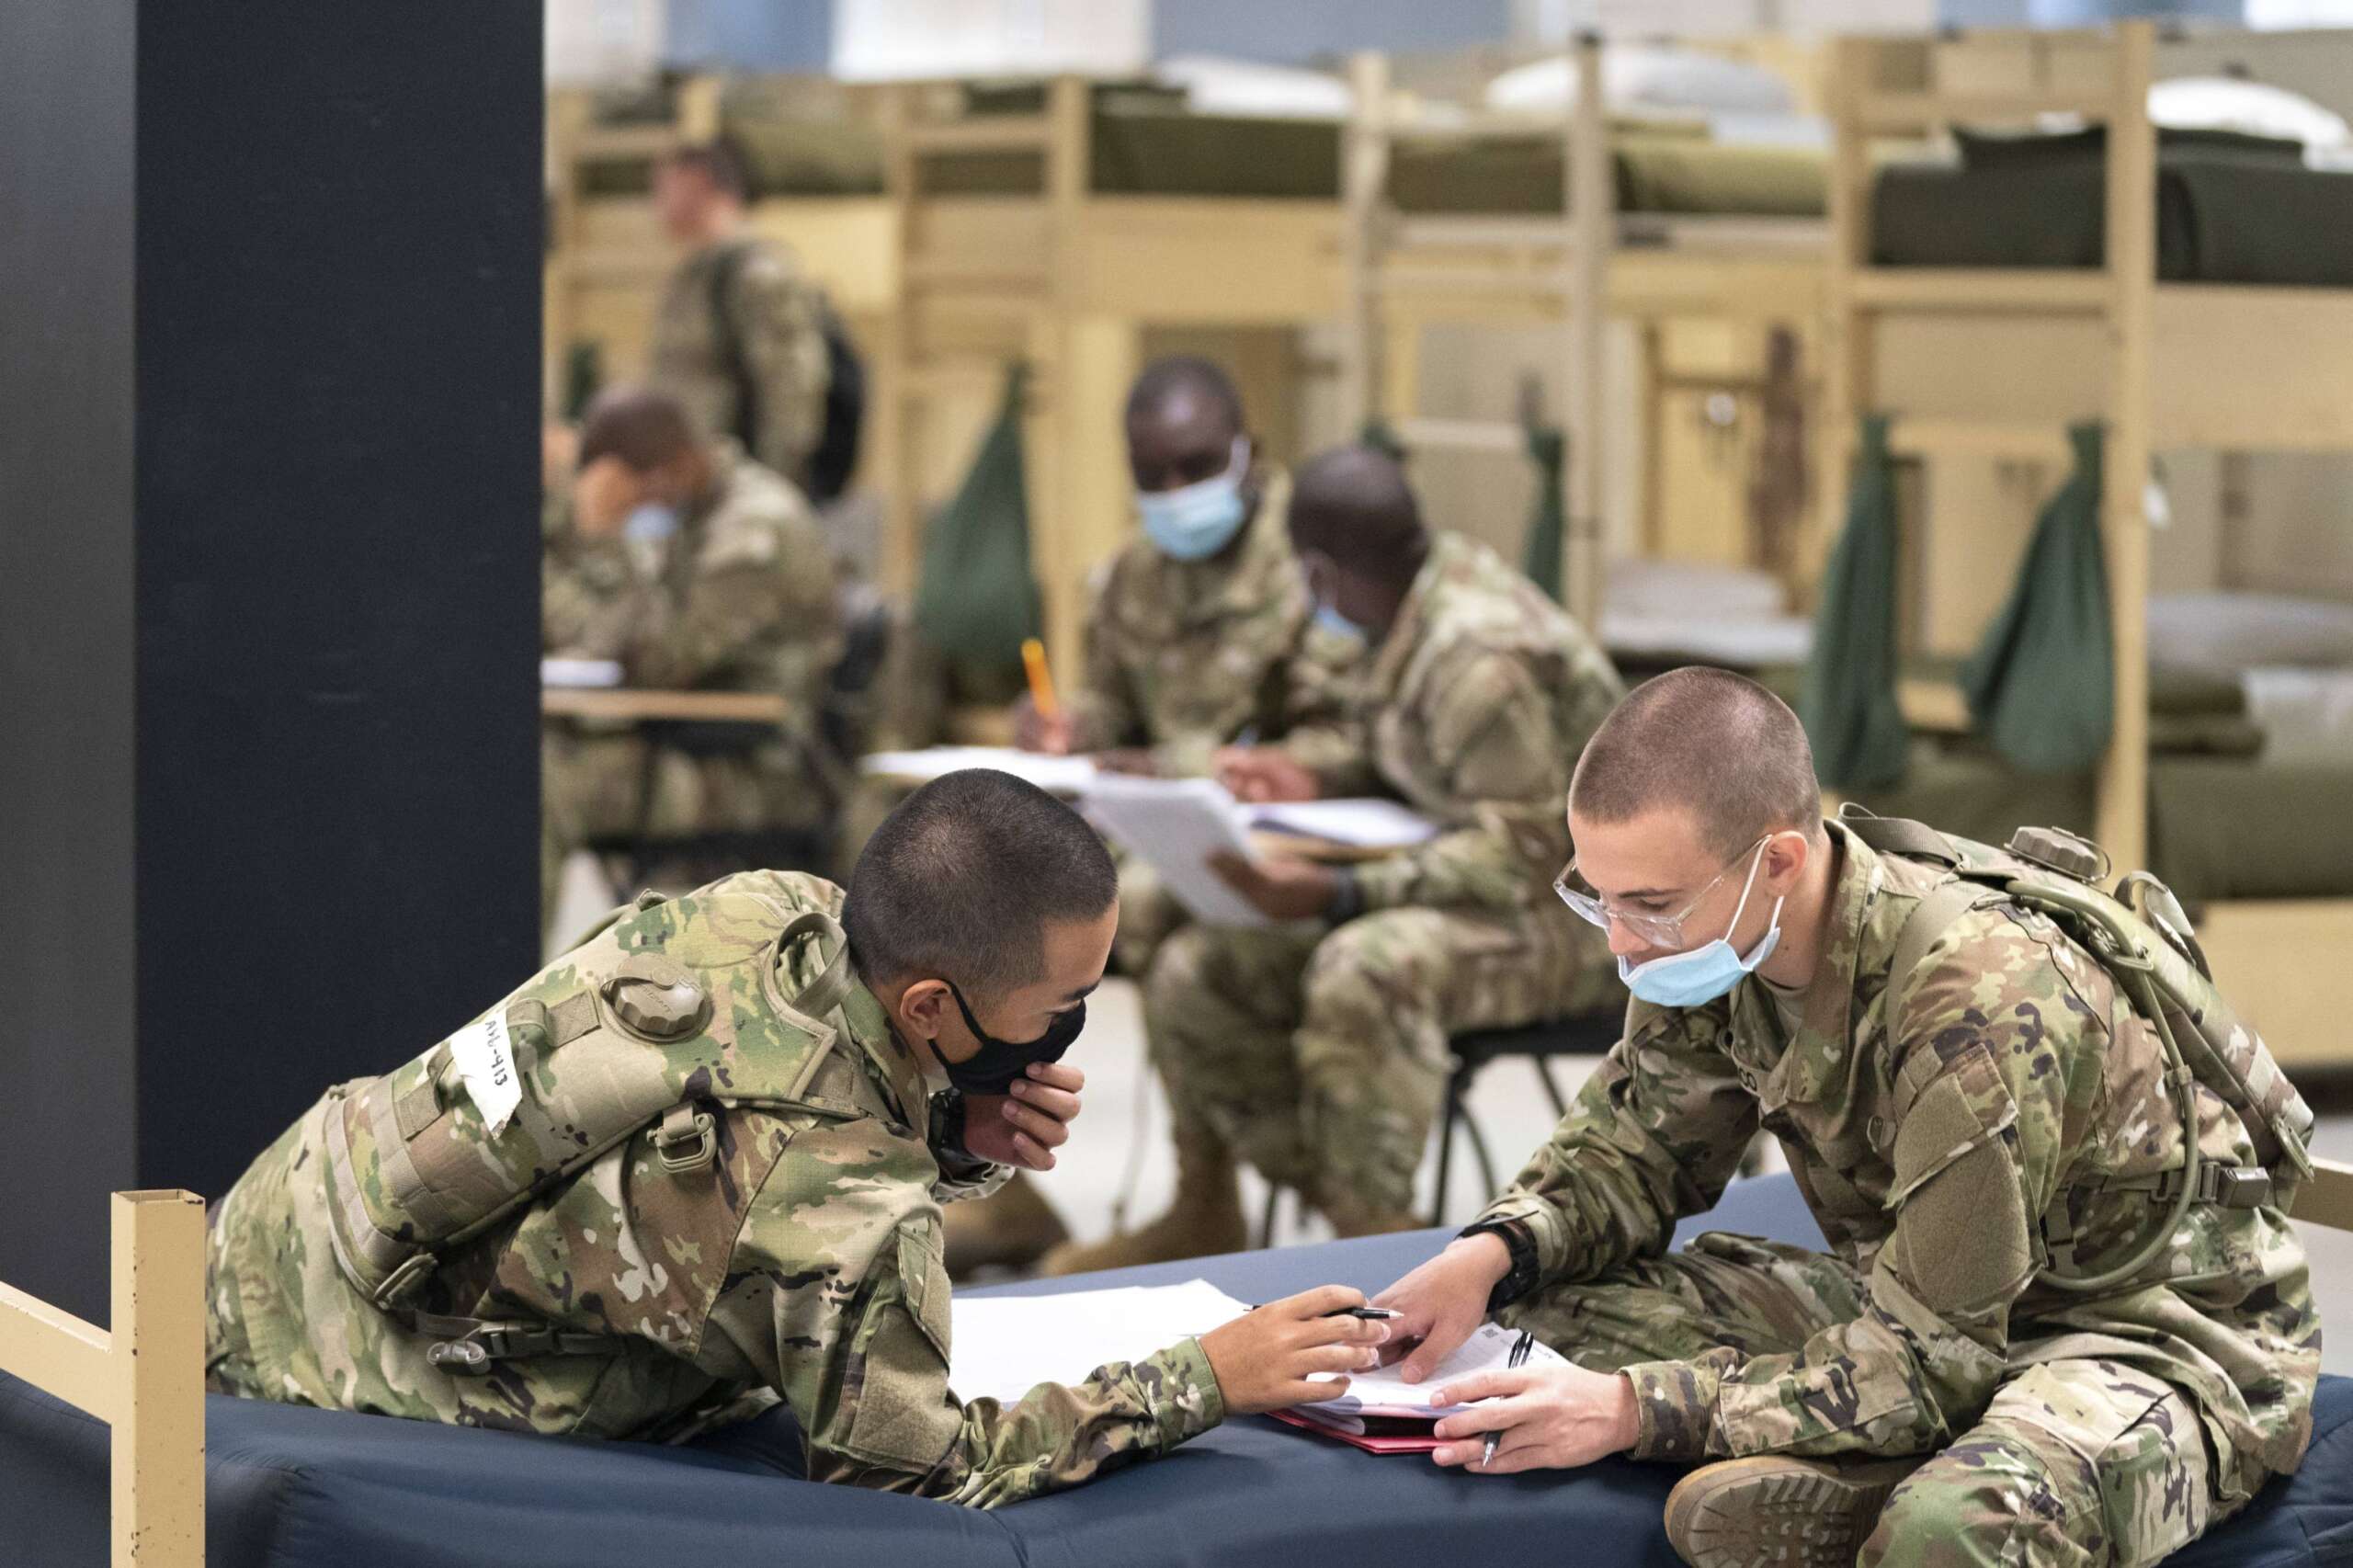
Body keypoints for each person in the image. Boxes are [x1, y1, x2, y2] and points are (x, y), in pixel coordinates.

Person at [204, 769, 1388, 1506]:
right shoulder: (847, 1207)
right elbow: (917, 1470)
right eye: (1060, 1004)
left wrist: (948, 1125)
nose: (1073, 1024)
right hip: (330, 1366)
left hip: (281, 1208)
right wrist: (1204, 1376)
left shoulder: (775, 907)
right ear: (932, 1005)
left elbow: (756, 1092)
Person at [1371, 668, 2318, 1567]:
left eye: (1649, 903)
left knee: (1951, 1528)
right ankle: (1881, 1454)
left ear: (1778, 860)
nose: (1621, 940)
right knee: (1533, 1317)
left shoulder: (1972, 1004)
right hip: (1928, 1301)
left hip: (2143, 1335)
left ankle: (1907, 1475)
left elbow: (1934, 1359)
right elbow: (1628, 1155)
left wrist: (1633, 1411)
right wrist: (1488, 1255)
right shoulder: (1716, 936)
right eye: (1599, 896)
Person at [1045, 445, 1626, 1271]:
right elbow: (1400, 749)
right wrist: (1313, 776)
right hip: (1476, 885)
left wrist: (1340, 891)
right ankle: (1271, 1207)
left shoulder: (1478, 659)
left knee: (1366, 968)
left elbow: (1531, 855)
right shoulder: (1397, 608)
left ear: (1318, 573)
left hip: (1592, 919)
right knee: (1196, 970)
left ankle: (1378, 1255)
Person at [951, 357, 1357, 1276]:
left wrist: (1175, 764)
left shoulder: (1313, 561)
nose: (1177, 491)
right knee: (968, 888)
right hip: (1156, 827)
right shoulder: (1133, 575)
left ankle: (1219, 1197)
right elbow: (1114, 710)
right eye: (1152, 472)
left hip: (1294, 839)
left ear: (1247, 449)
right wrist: (1068, 726)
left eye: (1196, 465)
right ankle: (992, 1178)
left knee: (1134, 910)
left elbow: (1344, 736)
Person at [540, 387, 841, 924]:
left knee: (545, 789)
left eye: (633, 495)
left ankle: (509, 975)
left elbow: (659, 661)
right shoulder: (695, 510)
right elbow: (612, 639)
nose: (637, 510)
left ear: (672, 468)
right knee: (525, 759)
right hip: (692, 741)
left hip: (764, 769)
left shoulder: (753, 527)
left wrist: (609, 537)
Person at [646, 141, 831, 490]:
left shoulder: (757, 273)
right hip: (696, 484)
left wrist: (772, 487)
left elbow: (790, 389)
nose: (656, 202)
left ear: (698, 183)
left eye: (664, 187)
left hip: (741, 486)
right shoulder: (695, 272)